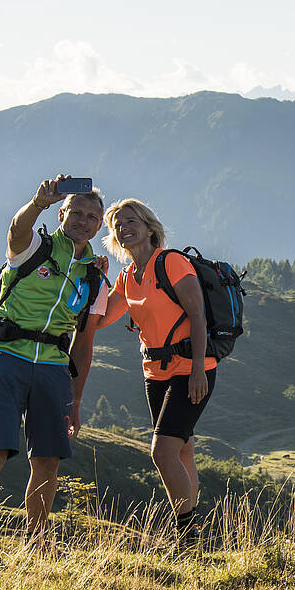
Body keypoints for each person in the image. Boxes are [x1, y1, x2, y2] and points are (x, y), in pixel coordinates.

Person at [0, 175, 107, 545]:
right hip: (5, 359)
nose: (83, 221)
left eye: (92, 217)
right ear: (62, 214)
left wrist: (75, 399)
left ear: (100, 224)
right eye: (76, 212)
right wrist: (37, 201)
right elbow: (16, 227)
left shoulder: (94, 275)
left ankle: (36, 544)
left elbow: (84, 341)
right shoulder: (35, 246)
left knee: (47, 460)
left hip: (53, 370)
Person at [87, 198, 216, 536]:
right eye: (118, 225)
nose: (124, 228)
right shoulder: (128, 277)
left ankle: (186, 533)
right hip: (155, 373)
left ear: (149, 228)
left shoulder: (172, 263)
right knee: (182, 449)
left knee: (162, 452)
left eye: (131, 221)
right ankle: (193, 530)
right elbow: (99, 321)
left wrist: (200, 368)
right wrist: (97, 279)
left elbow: (198, 314)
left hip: (192, 368)